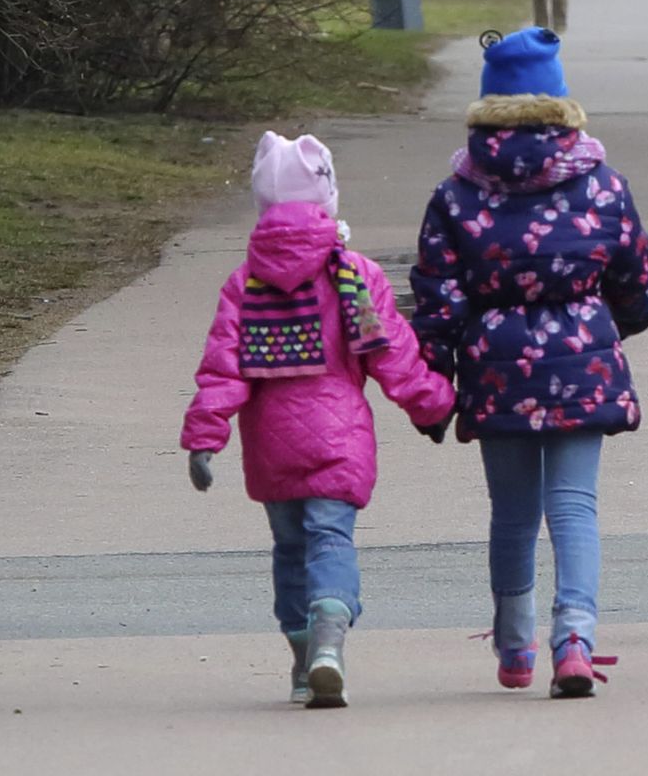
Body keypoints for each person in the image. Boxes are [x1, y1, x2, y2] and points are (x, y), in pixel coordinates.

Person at [409, 27, 648, 699]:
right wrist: (616, 325)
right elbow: (636, 281)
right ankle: (574, 638)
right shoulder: (602, 184)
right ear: (561, 101)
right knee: (575, 507)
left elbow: (437, 294)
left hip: (496, 369)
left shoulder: (457, 194)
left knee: (512, 513)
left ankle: (515, 643)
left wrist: (434, 375)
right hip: (582, 362)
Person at [182, 131, 456, 709]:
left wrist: (205, 439)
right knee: (331, 539)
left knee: (288, 551)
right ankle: (331, 640)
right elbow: (391, 352)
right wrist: (431, 406)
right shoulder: (354, 275)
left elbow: (223, 368)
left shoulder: (244, 284)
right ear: (328, 199)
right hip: (339, 434)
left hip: (270, 442)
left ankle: (303, 665)